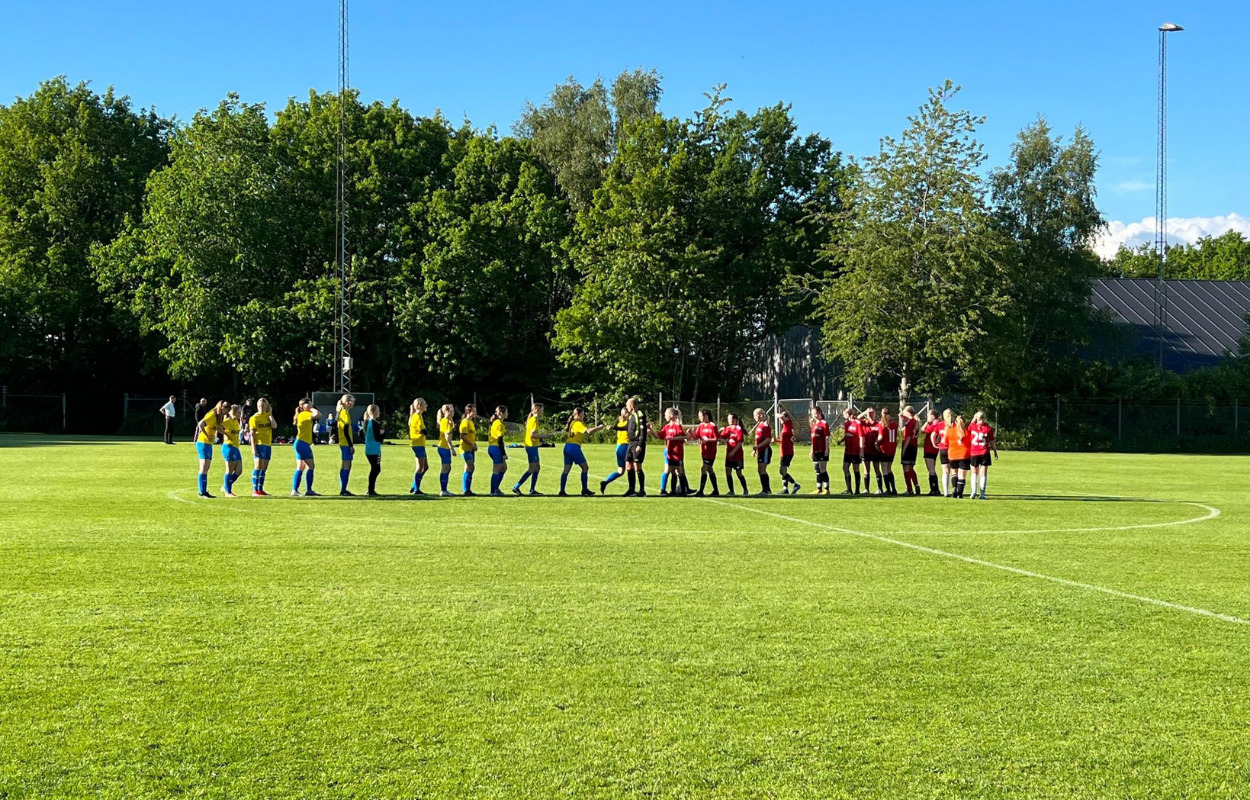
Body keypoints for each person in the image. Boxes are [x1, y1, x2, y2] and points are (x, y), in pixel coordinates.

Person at [560, 407, 604, 496]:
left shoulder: (572, 422)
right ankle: (584, 489)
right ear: (579, 415)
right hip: (574, 448)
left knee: (566, 470)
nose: (584, 416)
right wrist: (599, 427)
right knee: (585, 468)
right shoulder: (578, 423)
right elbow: (589, 431)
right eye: (583, 414)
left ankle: (562, 490)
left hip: (567, 446)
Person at [513, 403, 548, 496]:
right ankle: (516, 486)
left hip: (534, 446)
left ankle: (532, 489)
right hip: (531, 447)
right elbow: (533, 435)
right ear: (537, 410)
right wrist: (544, 436)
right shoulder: (533, 420)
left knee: (537, 468)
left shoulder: (534, 419)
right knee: (532, 468)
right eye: (542, 409)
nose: (543, 411)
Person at [194, 400, 227, 498]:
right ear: (222, 408)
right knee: (203, 467)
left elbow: (218, 428)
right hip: (203, 442)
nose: (226, 413)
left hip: (209, 444)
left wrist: (227, 433)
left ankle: (204, 491)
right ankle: (202, 492)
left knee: (206, 467)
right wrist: (207, 434)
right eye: (226, 411)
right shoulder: (212, 414)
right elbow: (200, 424)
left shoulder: (218, 417)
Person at [655, 408, 689, 496]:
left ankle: (683, 491)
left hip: (677, 452)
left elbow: (684, 436)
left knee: (680, 470)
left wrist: (673, 438)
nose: (664, 416)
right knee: (673, 471)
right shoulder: (667, 426)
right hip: (670, 452)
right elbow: (659, 436)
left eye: (666, 414)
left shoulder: (677, 425)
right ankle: (673, 490)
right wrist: (651, 430)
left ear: (671, 415)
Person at [291, 398, 321, 497]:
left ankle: (295, 490)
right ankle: (309, 490)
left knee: (300, 467)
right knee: (311, 466)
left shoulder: (302, 414)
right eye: (309, 404)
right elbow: (318, 414)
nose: (311, 405)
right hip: (302, 443)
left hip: (300, 443)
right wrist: (311, 408)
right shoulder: (304, 414)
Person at [248, 398, 277, 497]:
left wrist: (270, 414)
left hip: (267, 444)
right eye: (260, 406)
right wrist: (253, 447)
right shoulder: (254, 418)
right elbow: (252, 434)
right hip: (259, 444)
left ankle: (260, 489)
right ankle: (255, 490)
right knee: (258, 466)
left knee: (264, 468)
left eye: (263, 405)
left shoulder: (268, 416)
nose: (261, 407)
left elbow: (274, 426)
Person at [967, 410, 998, 500]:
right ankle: (982, 494)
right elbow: (992, 442)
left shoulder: (972, 426)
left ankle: (973, 491)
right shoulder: (988, 429)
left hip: (974, 452)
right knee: (983, 473)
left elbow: (969, 428)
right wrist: (995, 451)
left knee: (974, 472)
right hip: (984, 452)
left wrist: (975, 418)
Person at [599, 408, 630, 495]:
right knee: (630, 468)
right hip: (625, 446)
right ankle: (632, 489)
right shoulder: (628, 423)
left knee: (620, 471)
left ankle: (605, 482)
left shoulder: (619, 423)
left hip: (618, 446)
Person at [623, 397, 649, 497]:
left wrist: (640, 444)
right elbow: (626, 428)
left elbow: (643, 431)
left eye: (627, 405)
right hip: (631, 443)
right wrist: (614, 427)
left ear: (632, 405)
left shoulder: (640, 415)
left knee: (637, 466)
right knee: (628, 465)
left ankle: (642, 490)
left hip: (637, 443)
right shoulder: (630, 416)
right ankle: (631, 489)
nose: (626, 407)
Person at [693, 409, 720, 496]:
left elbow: (717, 438)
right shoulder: (701, 426)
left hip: (711, 452)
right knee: (709, 469)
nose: (699, 418)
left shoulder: (712, 426)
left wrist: (708, 440)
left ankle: (701, 491)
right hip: (704, 451)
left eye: (700, 416)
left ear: (705, 416)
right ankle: (716, 490)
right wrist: (691, 433)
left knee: (703, 468)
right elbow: (696, 436)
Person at [720, 413, 749, 495]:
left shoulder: (738, 429)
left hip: (737, 455)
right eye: (728, 419)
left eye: (730, 419)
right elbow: (721, 437)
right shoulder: (727, 428)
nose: (728, 420)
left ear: (735, 420)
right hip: (729, 454)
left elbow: (740, 442)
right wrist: (720, 431)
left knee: (738, 473)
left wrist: (733, 452)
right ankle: (731, 491)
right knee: (728, 472)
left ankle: (745, 490)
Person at [220, 404, 245, 497]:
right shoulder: (228, 421)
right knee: (229, 470)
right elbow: (218, 427)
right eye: (238, 412)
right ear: (233, 412)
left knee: (239, 470)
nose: (240, 414)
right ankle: (228, 492)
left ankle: (225, 486)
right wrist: (226, 434)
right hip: (229, 446)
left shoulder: (236, 422)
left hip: (236, 447)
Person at [335, 394, 356, 496]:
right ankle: (343, 490)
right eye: (352, 401)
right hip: (346, 443)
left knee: (344, 465)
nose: (353, 403)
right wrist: (351, 445)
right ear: (348, 402)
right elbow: (346, 431)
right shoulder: (345, 413)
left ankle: (343, 488)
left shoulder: (341, 412)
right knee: (347, 465)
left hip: (342, 442)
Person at [776, 409, 801, 495]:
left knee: (782, 471)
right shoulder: (786, 426)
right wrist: (776, 440)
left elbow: (781, 416)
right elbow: (785, 440)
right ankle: (785, 489)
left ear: (787, 418)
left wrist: (777, 414)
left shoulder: (788, 424)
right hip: (784, 450)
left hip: (787, 451)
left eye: (783, 418)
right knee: (784, 470)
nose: (781, 420)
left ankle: (795, 484)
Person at [946, 413, 971, 499]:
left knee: (954, 473)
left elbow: (945, 442)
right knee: (962, 475)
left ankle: (954, 488)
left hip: (952, 455)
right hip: (964, 455)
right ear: (964, 422)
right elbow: (970, 443)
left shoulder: (950, 431)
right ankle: (960, 493)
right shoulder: (967, 432)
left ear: (955, 422)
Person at [408, 398, 429, 495]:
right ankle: (416, 489)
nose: (426, 405)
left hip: (419, 443)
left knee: (425, 467)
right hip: (418, 443)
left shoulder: (416, 415)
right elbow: (422, 430)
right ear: (419, 406)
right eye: (425, 404)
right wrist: (425, 432)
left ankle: (414, 486)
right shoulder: (417, 416)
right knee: (420, 467)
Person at [487, 405, 509, 496]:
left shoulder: (499, 422)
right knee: (496, 469)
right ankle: (493, 491)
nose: (507, 414)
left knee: (503, 467)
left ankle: (496, 488)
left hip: (494, 447)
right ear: (501, 413)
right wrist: (503, 453)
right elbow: (500, 439)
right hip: (495, 448)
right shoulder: (498, 423)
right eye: (506, 412)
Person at [898, 405, 920, 496]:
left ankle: (909, 489)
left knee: (906, 468)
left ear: (908, 412)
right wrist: (902, 416)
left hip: (909, 446)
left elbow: (908, 437)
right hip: (914, 447)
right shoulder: (914, 421)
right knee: (910, 468)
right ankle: (916, 485)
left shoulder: (910, 423)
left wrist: (904, 449)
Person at [840, 407, 863, 495]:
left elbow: (861, 437)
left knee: (856, 469)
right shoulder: (846, 423)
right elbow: (847, 434)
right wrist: (841, 441)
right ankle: (849, 489)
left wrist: (861, 450)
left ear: (848, 414)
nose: (843, 416)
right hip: (848, 450)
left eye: (844, 414)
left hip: (855, 450)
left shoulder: (857, 423)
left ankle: (857, 490)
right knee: (845, 468)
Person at [363, 404, 384, 496]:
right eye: (377, 410)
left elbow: (362, 433)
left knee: (374, 468)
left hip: (368, 448)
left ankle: (370, 489)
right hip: (375, 449)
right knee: (376, 469)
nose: (379, 412)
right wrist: (383, 433)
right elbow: (378, 438)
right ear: (372, 412)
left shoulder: (366, 422)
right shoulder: (375, 423)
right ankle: (370, 489)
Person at [436, 404, 457, 496]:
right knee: (445, 468)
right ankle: (443, 490)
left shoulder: (446, 420)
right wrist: (452, 448)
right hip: (444, 447)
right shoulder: (446, 421)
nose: (454, 412)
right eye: (452, 410)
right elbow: (447, 436)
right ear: (447, 411)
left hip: (443, 447)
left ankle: (444, 489)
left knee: (448, 467)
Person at [877, 407, 899, 495]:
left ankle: (888, 489)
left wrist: (875, 442)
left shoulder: (882, 424)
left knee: (884, 469)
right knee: (889, 468)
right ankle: (893, 488)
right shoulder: (894, 423)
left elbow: (880, 436)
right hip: (892, 448)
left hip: (884, 448)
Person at [809, 406, 831, 495]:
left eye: (815, 413)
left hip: (822, 449)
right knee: (817, 470)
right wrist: (811, 450)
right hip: (815, 450)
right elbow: (813, 439)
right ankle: (819, 488)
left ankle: (826, 489)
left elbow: (827, 437)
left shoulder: (824, 423)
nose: (814, 415)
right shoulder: (814, 425)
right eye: (813, 413)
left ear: (820, 413)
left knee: (822, 469)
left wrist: (826, 449)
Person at [859, 408, 881, 494]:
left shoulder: (878, 424)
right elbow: (856, 419)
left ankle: (879, 489)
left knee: (877, 469)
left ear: (875, 413)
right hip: (866, 450)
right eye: (869, 413)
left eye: (872, 413)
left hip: (875, 450)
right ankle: (866, 489)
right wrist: (865, 412)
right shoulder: (864, 423)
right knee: (866, 469)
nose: (871, 414)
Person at [458, 404, 479, 496]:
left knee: (469, 467)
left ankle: (467, 489)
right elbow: (462, 436)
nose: (476, 413)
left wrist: (474, 444)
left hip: (470, 448)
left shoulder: (471, 422)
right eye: (474, 411)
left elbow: (471, 436)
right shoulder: (465, 422)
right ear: (468, 412)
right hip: (465, 448)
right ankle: (465, 489)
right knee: (470, 467)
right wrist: (471, 444)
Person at [752, 408, 773, 495]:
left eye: (755, 415)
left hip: (765, 450)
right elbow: (758, 439)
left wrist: (758, 446)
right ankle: (765, 489)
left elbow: (768, 439)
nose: (754, 417)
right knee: (760, 469)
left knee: (762, 469)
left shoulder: (765, 425)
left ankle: (766, 490)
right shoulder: (759, 425)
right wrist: (755, 450)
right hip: (760, 450)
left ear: (760, 415)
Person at [922, 408, 943, 496]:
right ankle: (935, 489)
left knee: (931, 470)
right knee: (932, 469)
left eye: (928, 416)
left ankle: (934, 489)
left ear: (932, 416)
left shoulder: (934, 425)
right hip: (934, 449)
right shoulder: (940, 424)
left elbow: (921, 431)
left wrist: (926, 422)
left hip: (929, 449)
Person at [938, 408, 954, 497]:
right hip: (952, 449)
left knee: (945, 471)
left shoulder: (940, 425)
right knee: (954, 470)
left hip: (943, 448)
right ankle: (955, 489)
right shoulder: (955, 425)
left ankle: (945, 491)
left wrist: (935, 443)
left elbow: (933, 434)